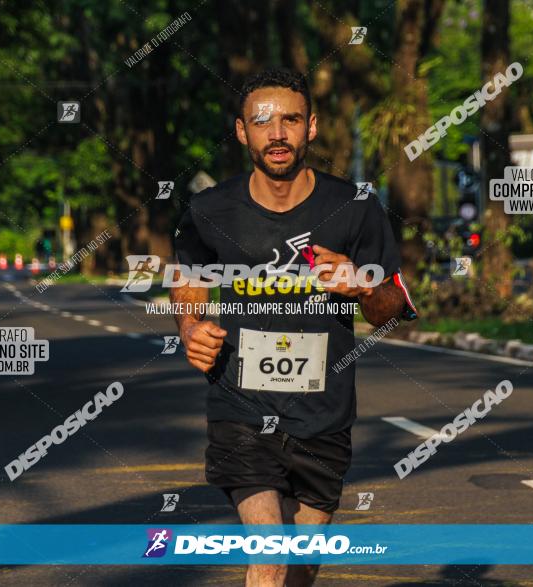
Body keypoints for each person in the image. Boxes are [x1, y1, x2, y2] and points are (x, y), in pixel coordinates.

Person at [171, 69, 417, 586]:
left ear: (312, 127)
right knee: (270, 556)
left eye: (290, 120)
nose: (276, 133)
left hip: (323, 415)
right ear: (242, 131)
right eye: (262, 122)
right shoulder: (209, 210)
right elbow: (187, 283)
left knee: (300, 569)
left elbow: (393, 308)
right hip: (240, 407)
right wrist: (191, 327)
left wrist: (363, 287)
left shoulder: (354, 208)